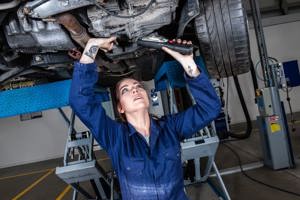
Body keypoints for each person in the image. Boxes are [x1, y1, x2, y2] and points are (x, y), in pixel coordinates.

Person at [69, 37, 221, 200]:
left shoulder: (170, 127)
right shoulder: (115, 137)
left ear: (147, 96)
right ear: (120, 107)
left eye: (138, 87)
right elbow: (80, 101)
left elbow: (210, 108)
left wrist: (188, 63)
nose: (134, 90)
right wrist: (93, 45)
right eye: (125, 90)